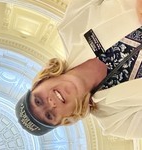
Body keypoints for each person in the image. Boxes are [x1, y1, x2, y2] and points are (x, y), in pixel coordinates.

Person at [16, 0, 142, 139]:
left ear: (39, 83)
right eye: (49, 115)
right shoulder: (117, 123)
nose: (50, 103)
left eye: (38, 100)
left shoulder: (71, 27)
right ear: (66, 120)